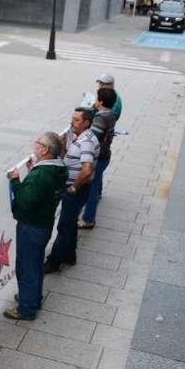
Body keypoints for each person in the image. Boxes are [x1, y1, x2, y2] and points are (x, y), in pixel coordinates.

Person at [3, 133, 67, 321]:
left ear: (46, 150)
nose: (34, 145)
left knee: (26, 266)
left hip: (31, 226)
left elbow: (25, 201)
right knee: (36, 263)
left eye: (38, 143)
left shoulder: (41, 174)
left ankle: (27, 307)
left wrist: (15, 180)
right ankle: (32, 297)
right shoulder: (57, 168)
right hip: (44, 224)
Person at [44, 108, 98, 273]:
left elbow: (87, 169)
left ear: (86, 123)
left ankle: (54, 262)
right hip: (75, 188)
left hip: (76, 190)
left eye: (76, 120)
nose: (71, 122)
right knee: (71, 223)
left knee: (64, 226)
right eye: (72, 119)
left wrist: (74, 187)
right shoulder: (81, 138)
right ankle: (69, 255)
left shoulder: (87, 141)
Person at [79, 88, 118, 229]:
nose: (95, 100)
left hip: (99, 156)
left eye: (97, 98)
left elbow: (93, 137)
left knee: (91, 188)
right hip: (105, 154)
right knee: (97, 180)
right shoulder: (110, 114)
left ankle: (88, 219)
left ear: (101, 101)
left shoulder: (100, 118)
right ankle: (98, 195)